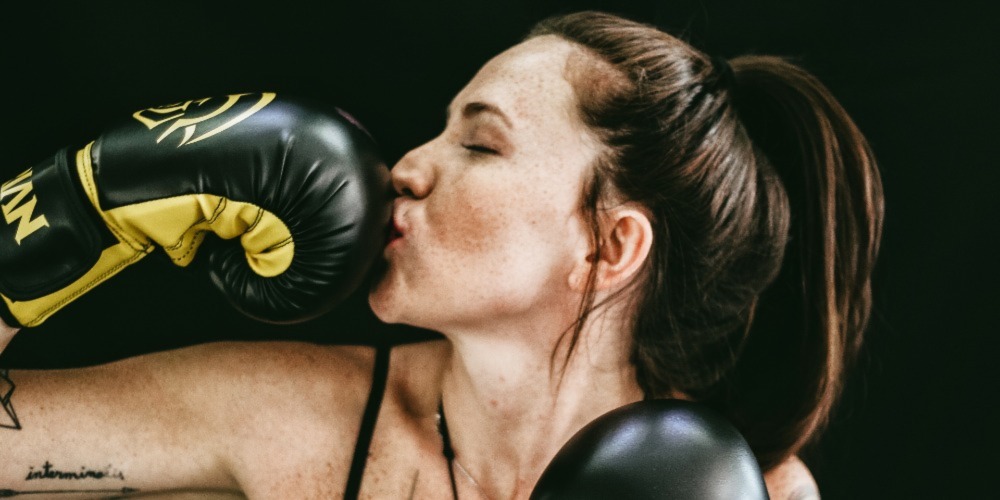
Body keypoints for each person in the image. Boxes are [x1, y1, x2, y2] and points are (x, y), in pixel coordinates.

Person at [0, 10, 883, 499]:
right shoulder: (288, 418)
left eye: (480, 143)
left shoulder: (756, 493)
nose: (408, 167)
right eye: (438, 130)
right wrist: (69, 209)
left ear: (609, 244)